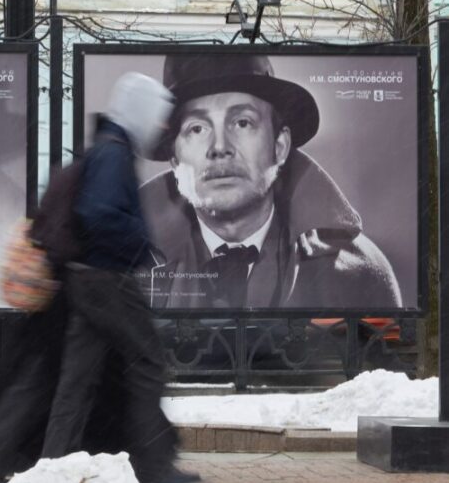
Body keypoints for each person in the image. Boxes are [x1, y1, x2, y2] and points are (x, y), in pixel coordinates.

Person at [38, 72, 201, 483]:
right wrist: (140, 239)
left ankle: (52, 465)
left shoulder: (106, 148)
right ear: (140, 111)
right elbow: (98, 213)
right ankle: (153, 469)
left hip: (86, 278)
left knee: (78, 378)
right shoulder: (114, 154)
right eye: (157, 114)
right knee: (148, 365)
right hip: (108, 278)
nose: (160, 125)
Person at [139, 53, 401, 309]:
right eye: (197, 129)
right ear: (174, 158)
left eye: (242, 123)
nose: (219, 147)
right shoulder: (127, 270)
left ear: (280, 147)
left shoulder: (358, 276)